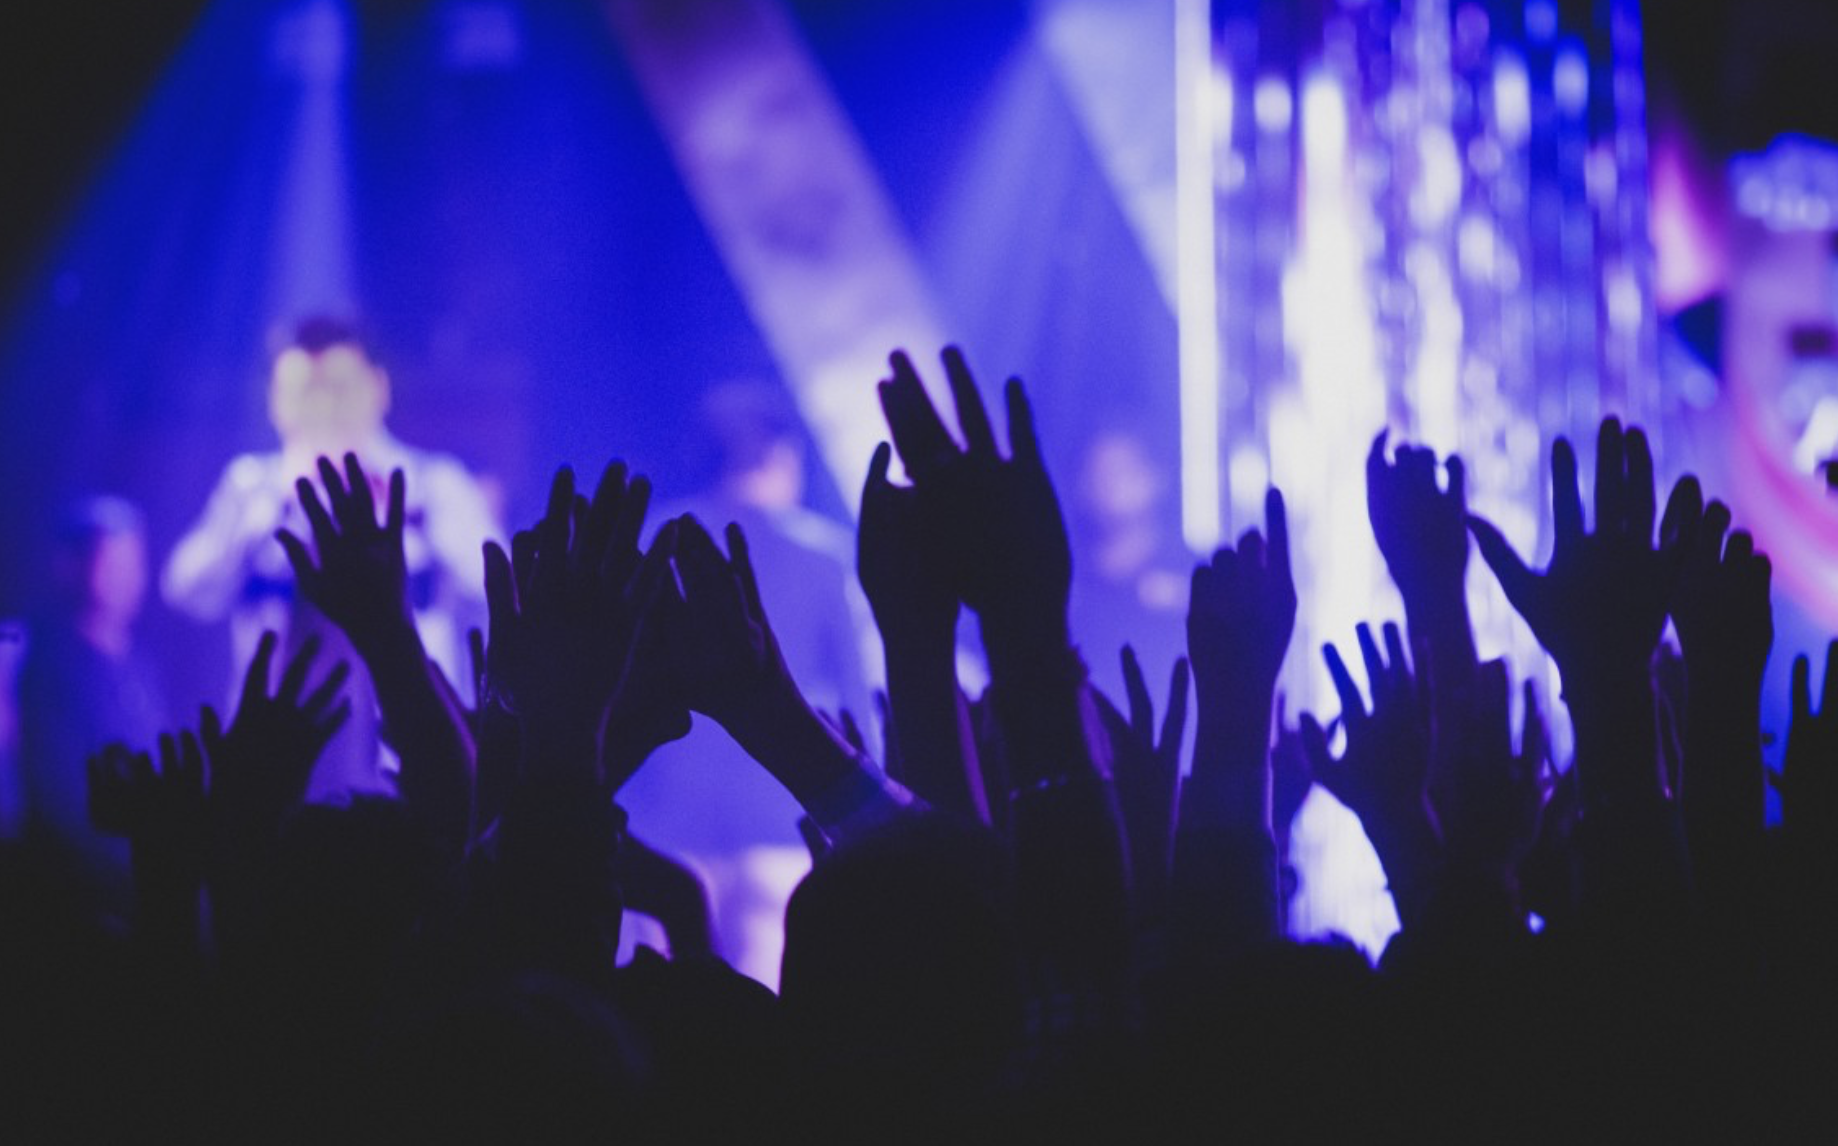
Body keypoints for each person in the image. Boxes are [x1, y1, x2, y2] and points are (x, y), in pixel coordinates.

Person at [162, 316, 499, 801]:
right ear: (276, 401)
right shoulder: (251, 486)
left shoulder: (432, 481)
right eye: (303, 389)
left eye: (338, 387)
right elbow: (186, 591)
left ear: (377, 388)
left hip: (405, 757)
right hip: (279, 765)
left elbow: (497, 585)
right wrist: (268, 509)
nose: (321, 405)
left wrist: (416, 520)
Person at [16, 497, 167, 925]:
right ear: (71, 565)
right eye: (111, 560)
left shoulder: (139, 666)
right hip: (77, 896)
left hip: (138, 876)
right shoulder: (51, 666)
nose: (126, 576)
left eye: (133, 560)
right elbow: (54, 794)